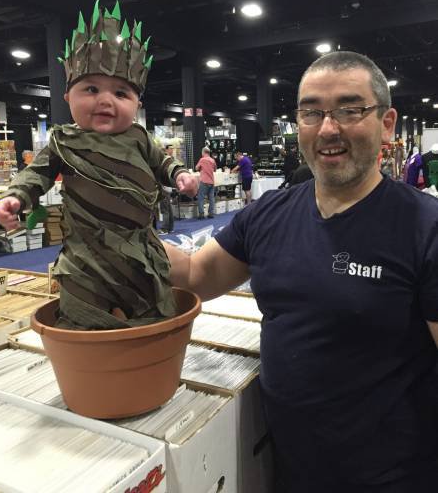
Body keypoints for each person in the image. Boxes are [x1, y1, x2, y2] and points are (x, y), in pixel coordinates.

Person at [164, 51, 438, 492]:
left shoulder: (425, 228)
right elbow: (196, 274)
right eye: (312, 112)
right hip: (291, 473)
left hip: (394, 478)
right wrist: (117, 233)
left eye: (350, 110)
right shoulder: (268, 213)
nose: (328, 129)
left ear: (387, 124)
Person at [0, 0, 197, 330]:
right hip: (84, 259)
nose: (105, 100)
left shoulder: (139, 137)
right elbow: (36, 174)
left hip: (141, 254)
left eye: (121, 93)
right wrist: (16, 197)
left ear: (137, 103)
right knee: (81, 320)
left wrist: (181, 174)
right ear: (67, 97)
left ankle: (153, 351)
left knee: (155, 315)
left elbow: (164, 163)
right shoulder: (62, 141)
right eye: (91, 89)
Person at [195, 146, 217, 219]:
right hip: (211, 181)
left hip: (204, 181)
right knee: (211, 198)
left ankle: (201, 214)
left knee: (200, 197)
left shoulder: (202, 160)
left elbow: (196, 168)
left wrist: (201, 169)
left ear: (203, 152)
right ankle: (211, 213)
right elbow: (215, 169)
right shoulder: (212, 160)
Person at [159, 144, 176, 233]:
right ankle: (170, 227)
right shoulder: (171, 160)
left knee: (165, 208)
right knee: (168, 208)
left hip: (164, 187)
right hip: (168, 187)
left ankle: (165, 228)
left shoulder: (165, 162)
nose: (172, 150)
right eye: (171, 148)